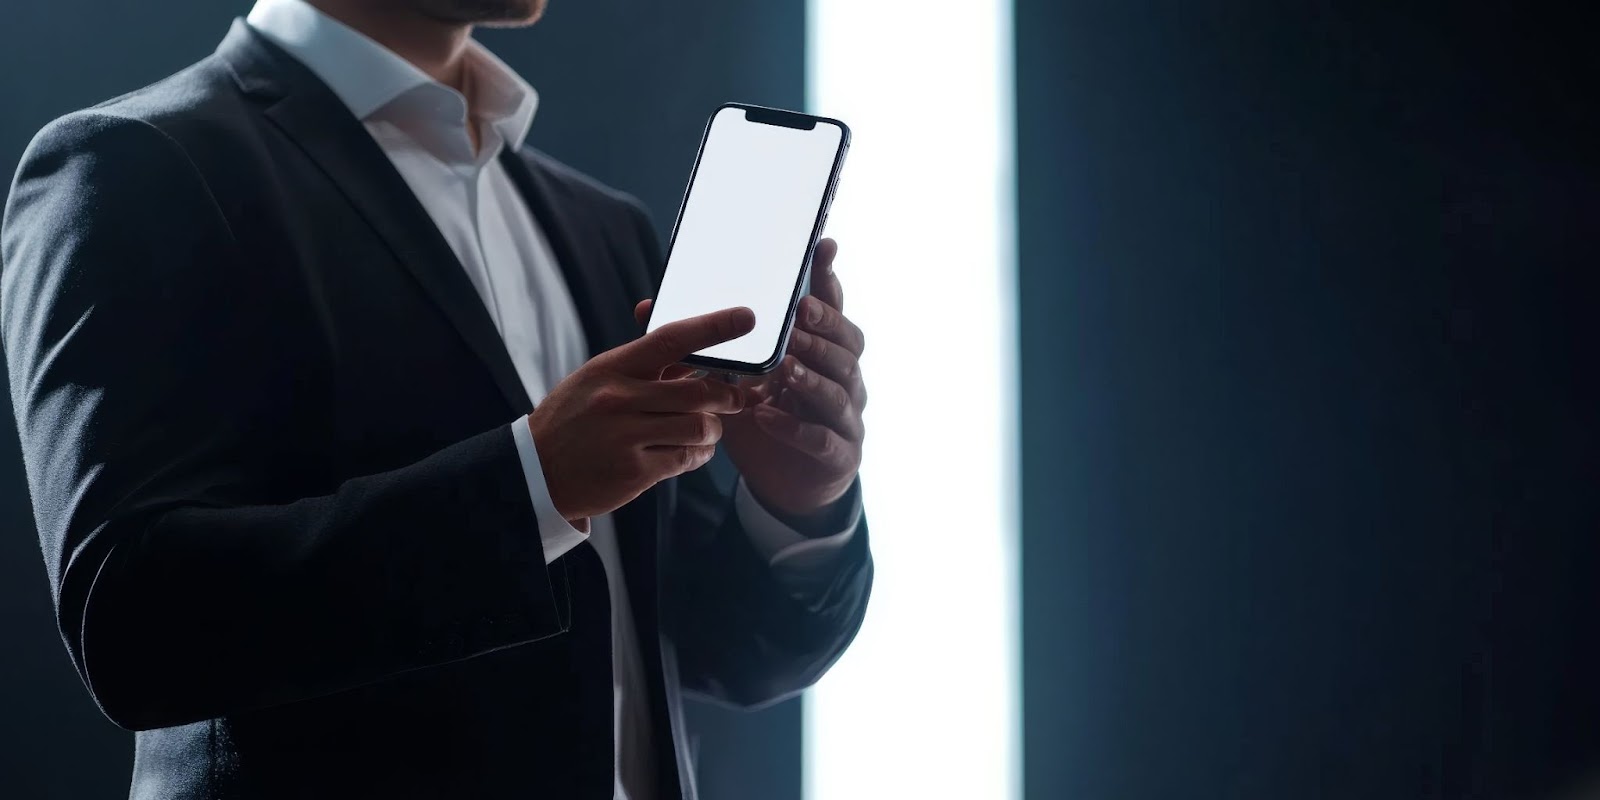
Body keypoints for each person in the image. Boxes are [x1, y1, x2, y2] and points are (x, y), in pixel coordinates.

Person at [0, 0, 873, 796]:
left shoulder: (600, 227)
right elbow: (135, 627)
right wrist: (536, 484)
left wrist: (796, 505)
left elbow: (718, 655)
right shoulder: (131, 163)